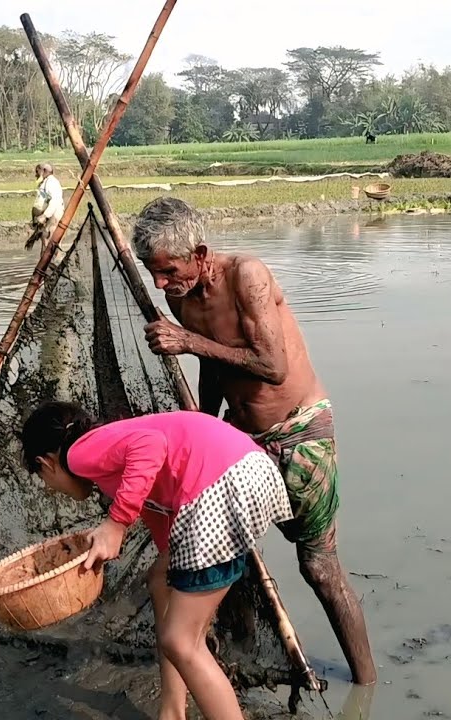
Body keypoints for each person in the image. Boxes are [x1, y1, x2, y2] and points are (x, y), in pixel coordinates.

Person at [132, 196, 376, 686]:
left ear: (201, 255)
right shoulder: (181, 296)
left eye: (168, 270)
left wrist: (187, 342)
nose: (160, 284)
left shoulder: (248, 275)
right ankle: (234, 653)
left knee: (319, 567)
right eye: (152, 272)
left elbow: (273, 365)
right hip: (241, 442)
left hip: (299, 431)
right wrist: (203, 427)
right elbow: (211, 366)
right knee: (220, 552)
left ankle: (366, 685)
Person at [20, 401, 294, 720]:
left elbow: (150, 446)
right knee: (161, 581)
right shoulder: (112, 445)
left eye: (44, 479)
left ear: (45, 462)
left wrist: (116, 524)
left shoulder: (78, 453)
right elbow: (162, 517)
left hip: (220, 488)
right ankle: (172, 710)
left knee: (181, 642)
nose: (52, 489)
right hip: (250, 471)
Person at [26, 162, 64, 261]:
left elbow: (55, 201)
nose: (36, 175)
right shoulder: (46, 182)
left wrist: (45, 216)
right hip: (47, 219)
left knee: (50, 245)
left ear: (44, 171)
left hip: (51, 219)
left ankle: (50, 265)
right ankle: (46, 266)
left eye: (37, 171)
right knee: (46, 244)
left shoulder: (52, 182)